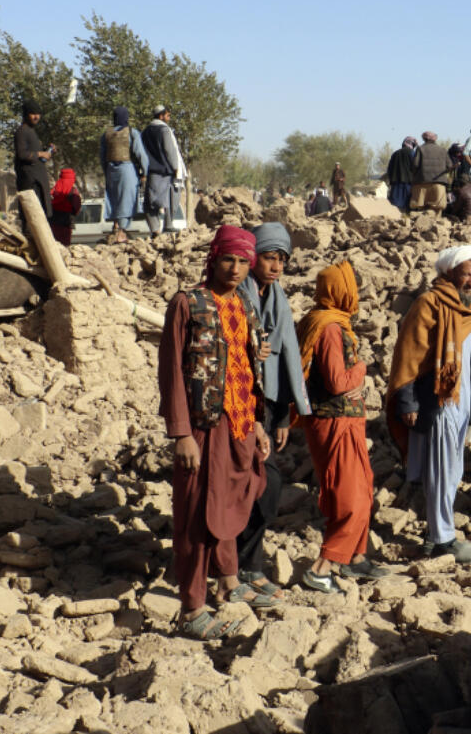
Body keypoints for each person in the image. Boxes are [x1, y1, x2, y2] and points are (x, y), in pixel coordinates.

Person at [158, 225, 277, 640]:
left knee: (226, 502)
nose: (237, 268)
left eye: (245, 261)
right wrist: (181, 434)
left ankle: (227, 581)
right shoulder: (188, 303)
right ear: (214, 258)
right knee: (194, 512)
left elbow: (246, 366)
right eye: (229, 259)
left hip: (240, 421)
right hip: (202, 426)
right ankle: (191, 608)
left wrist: (258, 421)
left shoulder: (243, 306)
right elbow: (172, 371)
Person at [386, 245, 471, 563]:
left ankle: (434, 533)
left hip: (464, 399)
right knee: (442, 470)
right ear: (448, 273)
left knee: (452, 468)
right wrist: (407, 403)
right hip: (440, 399)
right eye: (465, 275)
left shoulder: (469, 309)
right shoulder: (429, 303)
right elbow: (408, 356)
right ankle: (444, 538)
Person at [296, 261, 389, 591]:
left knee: (361, 487)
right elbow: (337, 382)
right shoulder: (331, 328)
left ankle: (355, 557)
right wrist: (361, 369)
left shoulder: (320, 320)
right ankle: (323, 566)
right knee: (353, 499)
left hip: (339, 421)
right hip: (335, 421)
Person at [236, 223, 312, 599]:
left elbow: (284, 359)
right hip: (236, 406)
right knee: (252, 488)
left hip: (264, 408)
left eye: (282, 259)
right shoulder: (237, 295)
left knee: (264, 487)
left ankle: (249, 567)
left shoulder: (276, 299)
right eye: (270, 257)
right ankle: (234, 570)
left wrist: (281, 415)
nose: (277, 266)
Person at [99, 106, 148, 243]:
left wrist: (106, 170)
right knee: (127, 200)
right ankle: (122, 232)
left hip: (110, 170)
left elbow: (102, 156)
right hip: (127, 170)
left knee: (113, 199)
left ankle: (115, 226)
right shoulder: (132, 132)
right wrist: (145, 171)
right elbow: (140, 154)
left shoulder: (106, 134)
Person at [141, 105, 187, 238]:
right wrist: (175, 167)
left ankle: (158, 228)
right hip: (164, 171)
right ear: (161, 116)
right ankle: (164, 227)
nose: (169, 118)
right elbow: (169, 150)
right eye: (167, 115)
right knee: (166, 200)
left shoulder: (145, 131)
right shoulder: (164, 130)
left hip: (151, 171)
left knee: (153, 201)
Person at [13, 98, 54, 223]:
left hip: (37, 180)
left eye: (38, 114)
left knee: (40, 214)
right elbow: (22, 154)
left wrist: (48, 152)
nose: (36, 117)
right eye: (33, 114)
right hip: (30, 182)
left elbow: (33, 154)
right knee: (32, 216)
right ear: (26, 114)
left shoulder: (31, 132)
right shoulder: (21, 132)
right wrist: (40, 153)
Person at [411, 131, 451, 213]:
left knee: (420, 208)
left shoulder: (420, 149)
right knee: (437, 209)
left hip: (422, 183)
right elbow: (450, 166)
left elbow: (415, 165)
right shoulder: (442, 150)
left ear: (424, 139)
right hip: (439, 184)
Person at [48, 168, 81, 246]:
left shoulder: (53, 190)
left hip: (51, 222)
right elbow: (76, 207)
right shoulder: (73, 191)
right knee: (64, 246)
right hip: (66, 223)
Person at [386, 137, 417, 213]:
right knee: (408, 206)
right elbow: (416, 167)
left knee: (395, 206)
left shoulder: (395, 154)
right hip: (408, 184)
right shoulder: (413, 153)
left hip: (395, 184)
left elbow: (389, 169)